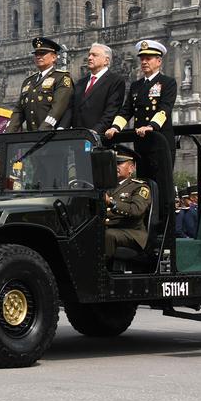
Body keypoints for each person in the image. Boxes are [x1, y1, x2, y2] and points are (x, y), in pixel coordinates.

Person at [105, 39, 178, 220]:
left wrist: (151, 126)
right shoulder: (137, 86)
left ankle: (165, 223)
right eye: (142, 58)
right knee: (144, 182)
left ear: (159, 61)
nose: (145, 62)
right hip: (142, 143)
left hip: (160, 143)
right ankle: (147, 219)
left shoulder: (167, 83)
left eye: (149, 58)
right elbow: (126, 110)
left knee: (162, 184)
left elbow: (165, 108)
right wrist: (115, 127)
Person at [7, 37, 74, 132]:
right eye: (36, 54)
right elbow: (19, 111)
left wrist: (44, 129)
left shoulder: (61, 78)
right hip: (32, 136)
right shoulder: (28, 81)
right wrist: (7, 133)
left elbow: (57, 109)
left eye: (42, 54)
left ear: (54, 57)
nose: (38, 57)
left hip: (52, 135)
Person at [103, 148, 151, 257]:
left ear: (131, 168)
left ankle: (104, 269)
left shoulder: (140, 187)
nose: (115, 167)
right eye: (113, 163)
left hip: (132, 232)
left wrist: (110, 202)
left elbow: (136, 210)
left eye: (119, 163)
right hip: (109, 229)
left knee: (108, 235)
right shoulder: (106, 187)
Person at [70, 43, 126, 135]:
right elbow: (71, 108)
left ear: (106, 61)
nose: (90, 58)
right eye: (89, 55)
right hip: (77, 138)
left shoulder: (115, 81)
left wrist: (96, 130)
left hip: (100, 137)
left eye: (94, 55)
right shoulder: (80, 83)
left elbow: (111, 111)